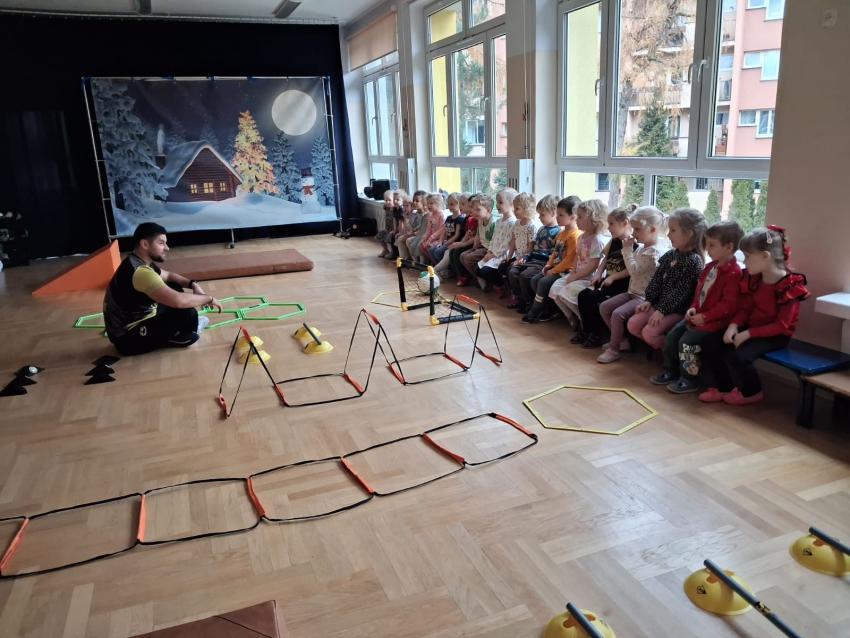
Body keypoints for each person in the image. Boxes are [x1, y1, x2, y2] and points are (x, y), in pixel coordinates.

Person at [704, 226, 810, 405]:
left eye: (747, 257)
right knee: (712, 342)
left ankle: (752, 391)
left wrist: (748, 334)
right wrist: (733, 326)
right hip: (753, 328)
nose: (745, 262)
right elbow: (746, 308)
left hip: (775, 336)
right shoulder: (755, 279)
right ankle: (724, 387)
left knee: (740, 356)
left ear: (765, 256)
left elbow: (781, 325)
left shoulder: (789, 286)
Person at [651, 221, 743, 394]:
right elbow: (699, 293)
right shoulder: (710, 267)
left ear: (729, 247)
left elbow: (728, 305)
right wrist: (693, 308)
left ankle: (689, 379)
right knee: (672, 337)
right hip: (697, 316)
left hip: (714, 322)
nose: (707, 249)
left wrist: (705, 317)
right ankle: (671, 370)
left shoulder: (734, 273)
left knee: (687, 343)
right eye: (707, 244)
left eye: (712, 245)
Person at [103, 223, 223, 356]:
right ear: (144, 244)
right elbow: (178, 301)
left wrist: (193, 284)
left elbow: (169, 276)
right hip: (126, 339)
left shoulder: (136, 261)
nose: (167, 248)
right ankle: (173, 336)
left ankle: (175, 333)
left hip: (137, 320)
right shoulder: (140, 272)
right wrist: (208, 298)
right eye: (161, 243)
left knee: (174, 287)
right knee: (186, 313)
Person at [627, 207, 706, 350]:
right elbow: (656, 280)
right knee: (633, 324)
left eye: (673, 231)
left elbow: (681, 292)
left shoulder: (694, 261)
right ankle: (663, 348)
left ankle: (670, 353)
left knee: (649, 332)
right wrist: (649, 300)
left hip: (677, 310)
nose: (668, 235)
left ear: (688, 234)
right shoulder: (670, 255)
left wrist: (662, 310)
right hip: (659, 304)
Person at [597, 206, 665, 364]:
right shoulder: (642, 249)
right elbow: (632, 268)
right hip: (632, 292)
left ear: (653, 230)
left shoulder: (653, 253)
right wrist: (628, 251)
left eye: (637, 229)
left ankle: (614, 349)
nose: (633, 233)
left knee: (617, 314)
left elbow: (633, 271)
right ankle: (621, 340)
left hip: (643, 297)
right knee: (605, 307)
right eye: (633, 229)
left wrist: (626, 250)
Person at [576, 203, 635, 348]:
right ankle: (587, 330)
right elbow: (605, 259)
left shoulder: (632, 244)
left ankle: (597, 334)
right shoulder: (613, 241)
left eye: (611, 224)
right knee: (583, 295)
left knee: (593, 299)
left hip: (620, 285)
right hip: (607, 281)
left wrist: (613, 277)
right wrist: (598, 273)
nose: (608, 228)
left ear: (625, 223)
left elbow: (630, 270)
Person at [550, 199, 609, 334]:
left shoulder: (598, 240)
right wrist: (573, 272)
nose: (577, 220)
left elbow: (594, 265)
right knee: (555, 289)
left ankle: (584, 321)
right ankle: (572, 318)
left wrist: (576, 276)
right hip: (577, 274)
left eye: (580, 217)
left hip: (589, 278)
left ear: (594, 219)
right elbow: (577, 255)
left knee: (565, 293)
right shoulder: (581, 237)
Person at [522, 196, 582, 323]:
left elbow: (569, 260)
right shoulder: (562, 233)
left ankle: (536, 311)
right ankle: (546, 309)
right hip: (555, 268)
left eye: (561, 215)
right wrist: (548, 265)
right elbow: (555, 253)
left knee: (543, 282)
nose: (557, 217)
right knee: (535, 280)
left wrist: (554, 270)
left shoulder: (575, 236)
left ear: (573, 217)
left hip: (566, 271)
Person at [508, 194, 560, 313]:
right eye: (539, 214)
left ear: (553, 213)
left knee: (525, 275)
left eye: (542, 215)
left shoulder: (558, 232)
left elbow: (555, 254)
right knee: (512, 271)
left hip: (543, 263)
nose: (539, 217)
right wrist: (525, 257)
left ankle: (530, 302)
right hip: (532, 260)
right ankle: (520, 298)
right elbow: (533, 248)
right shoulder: (541, 229)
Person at [474, 188, 518, 291]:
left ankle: (500, 285)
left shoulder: (512, 223)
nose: (497, 205)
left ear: (511, 204)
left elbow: (506, 244)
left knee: (485, 271)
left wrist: (493, 255)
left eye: (501, 202)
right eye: (497, 202)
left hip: (503, 254)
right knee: (477, 269)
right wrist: (489, 251)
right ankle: (494, 285)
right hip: (493, 252)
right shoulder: (499, 221)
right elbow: (494, 238)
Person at [458, 193, 499, 287]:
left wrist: (490, 252)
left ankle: (482, 279)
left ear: (488, 210)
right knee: (462, 255)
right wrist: (474, 248)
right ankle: (478, 277)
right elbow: (478, 234)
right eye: (473, 209)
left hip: (489, 249)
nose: (474, 212)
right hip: (482, 246)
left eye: (478, 209)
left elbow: (495, 241)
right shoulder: (480, 220)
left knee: (468, 258)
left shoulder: (493, 223)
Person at [429, 193, 465, 269]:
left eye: (452, 204)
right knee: (431, 250)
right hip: (446, 241)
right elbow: (444, 231)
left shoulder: (460, 218)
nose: (449, 207)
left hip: (453, 242)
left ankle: (445, 268)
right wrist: (440, 242)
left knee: (438, 252)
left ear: (459, 204)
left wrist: (446, 243)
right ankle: (440, 267)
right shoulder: (448, 218)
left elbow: (456, 235)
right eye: (448, 204)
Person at [418, 192, 447, 264]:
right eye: (428, 203)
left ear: (438, 204)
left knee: (429, 247)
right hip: (433, 238)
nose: (428, 205)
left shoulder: (441, 215)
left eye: (431, 203)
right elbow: (428, 229)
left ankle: (435, 264)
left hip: (440, 239)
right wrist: (425, 237)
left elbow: (441, 230)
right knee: (421, 246)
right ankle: (432, 261)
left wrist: (430, 239)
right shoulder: (431, 216)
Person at [376, 189, 396, 259]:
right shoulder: (386, 208)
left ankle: (393, 252)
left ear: (394, 200)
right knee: (380, 234)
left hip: (394, 230)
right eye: (386, 200)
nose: (387, 202)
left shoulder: (395, 210)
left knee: (390, 237)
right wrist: (386, 228)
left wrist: (394, 230)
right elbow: (387, 219)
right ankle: (385, 249)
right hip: (388, 228)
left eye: (389, 200)